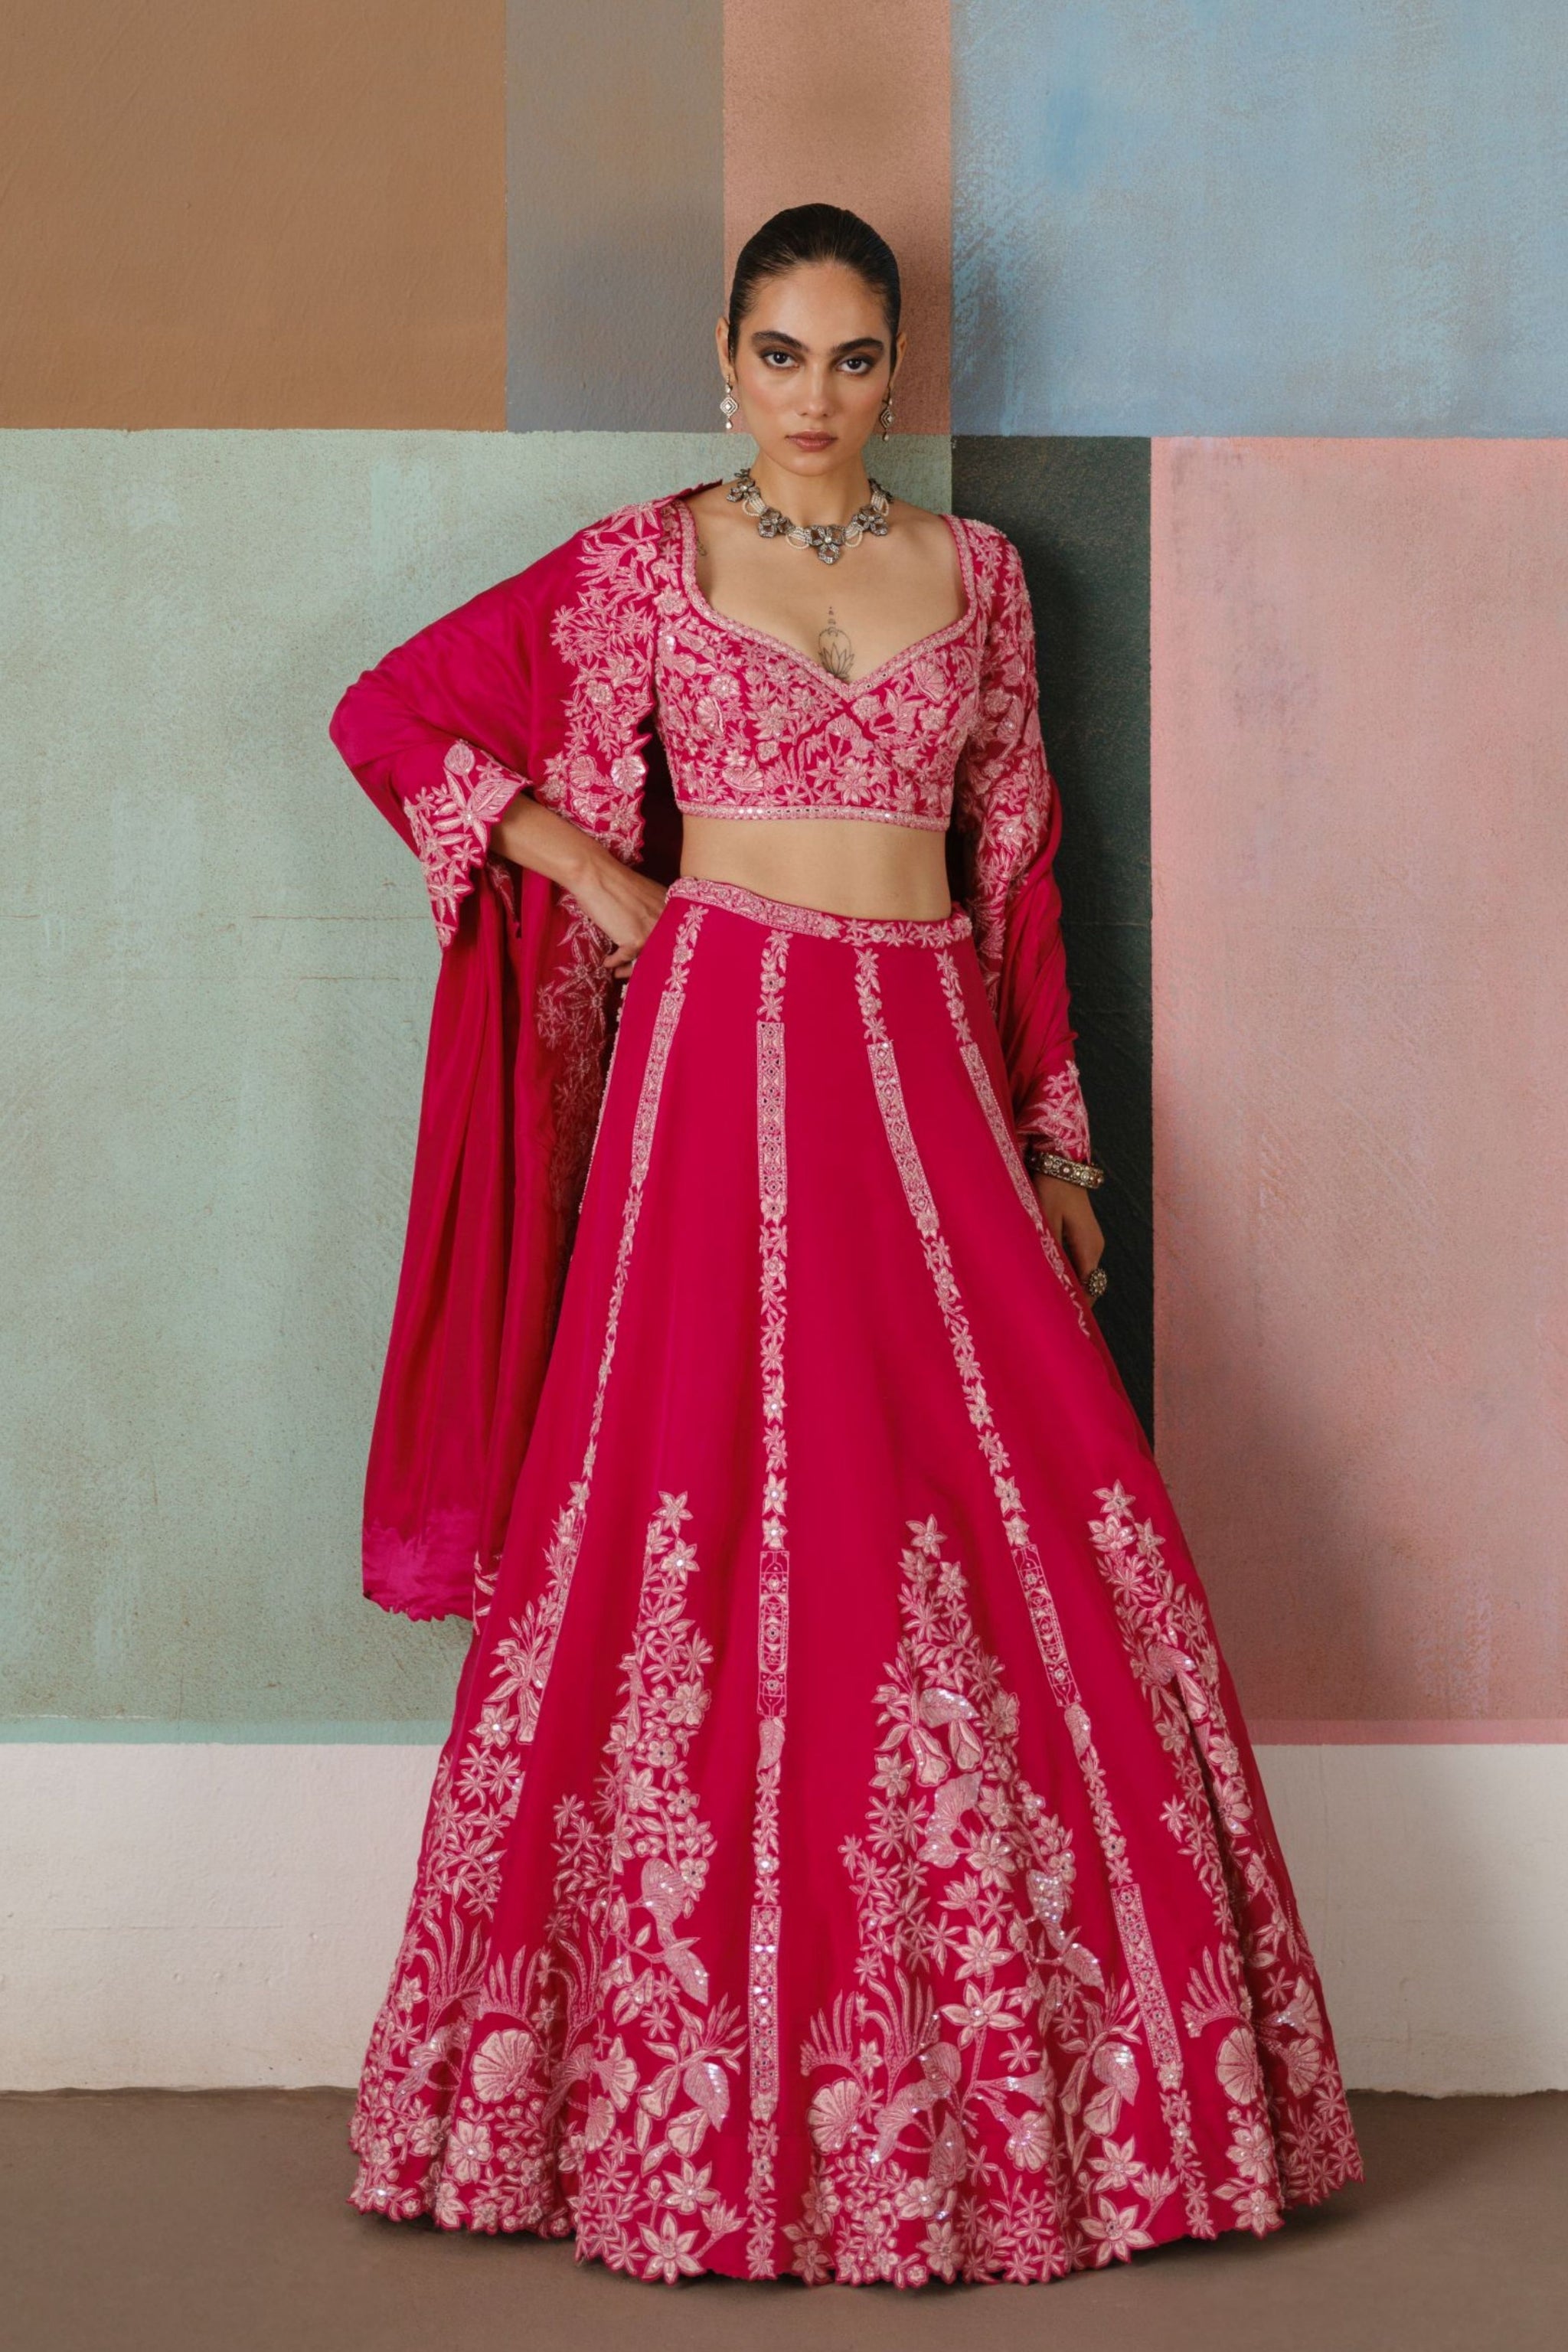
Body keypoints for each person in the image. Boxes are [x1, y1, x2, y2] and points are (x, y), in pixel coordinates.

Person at [327, 204, 1362, 2286]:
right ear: (725, 360)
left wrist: (1060, 1146)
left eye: (856, 357)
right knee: (686, 1513)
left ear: (900, 368)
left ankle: (1060, 2093)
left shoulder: (979, 579)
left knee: (1003, 1511)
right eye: (782, 354)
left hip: (927, 1067)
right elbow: (391, 718)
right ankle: (636, 2094)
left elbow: (1023, 871)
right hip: (715, 1060)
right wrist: (593, 876)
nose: (816, 395)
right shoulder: (643, 568)